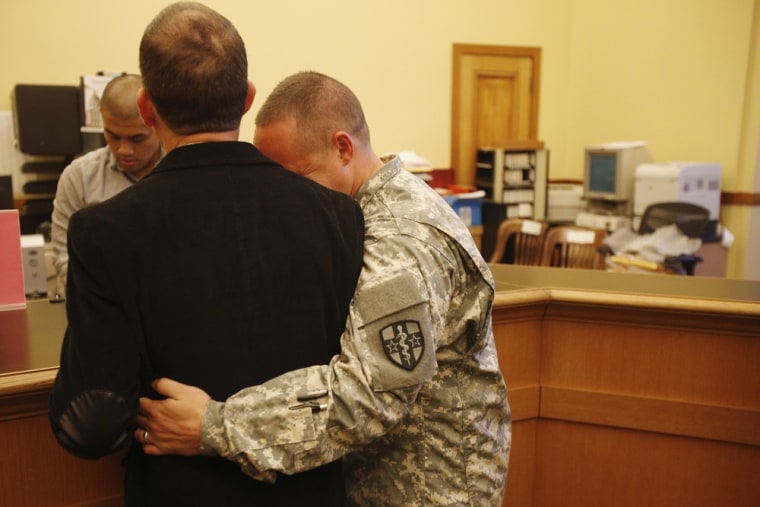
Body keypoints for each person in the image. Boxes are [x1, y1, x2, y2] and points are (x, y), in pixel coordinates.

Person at [137, 71, 511, 506]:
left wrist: (216, 425)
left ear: (342, 148)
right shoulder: (364, 210)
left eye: (296, 177)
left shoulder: (400, 239)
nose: (286, 197)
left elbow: (369, 395)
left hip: (428, 490)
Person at [48, 5, 364, 507]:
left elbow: (91, 425)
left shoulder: (105, 232)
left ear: (148, 110)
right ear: (247, 99)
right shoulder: (339, 215)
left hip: (179, 489)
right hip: (312, 491)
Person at [51, 73, 161, 297]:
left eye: (137, 139)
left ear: (158, 124)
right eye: (112, 136)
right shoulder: (79, 177)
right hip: (102, 311)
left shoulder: (181, 172)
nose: (123, 150)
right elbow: (63, 258)